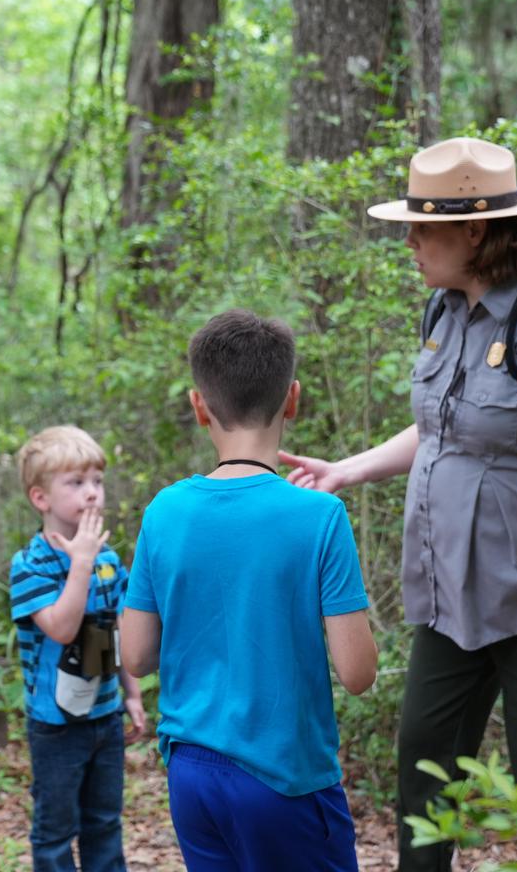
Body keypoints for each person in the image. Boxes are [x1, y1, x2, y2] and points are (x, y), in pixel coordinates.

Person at [279, 136, 517, 872]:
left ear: (475, 230)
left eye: (422, 227)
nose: (409, 242)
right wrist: (349, 469)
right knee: (425, 771)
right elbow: (445, 427)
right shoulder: (444, 309)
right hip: (452, 597)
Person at [120, 310, 378, 872]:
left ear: (198, 405)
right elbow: (358, 674)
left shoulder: (164, 512)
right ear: (293, 399)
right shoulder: (319, 516)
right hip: (286, 778)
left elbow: (135, 658)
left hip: (192, 775)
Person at [10, 425, 148, 872]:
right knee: (55, 829)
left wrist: (132, 695)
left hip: (105, 717)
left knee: (104, 822)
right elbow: (63, 630)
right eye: (76, 483)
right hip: (56, 725)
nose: (92, 494)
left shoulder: (109, 562)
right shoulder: (30, 563)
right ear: (40, 498)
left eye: (97, 481)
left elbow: (120, 630)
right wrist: (81, 561)